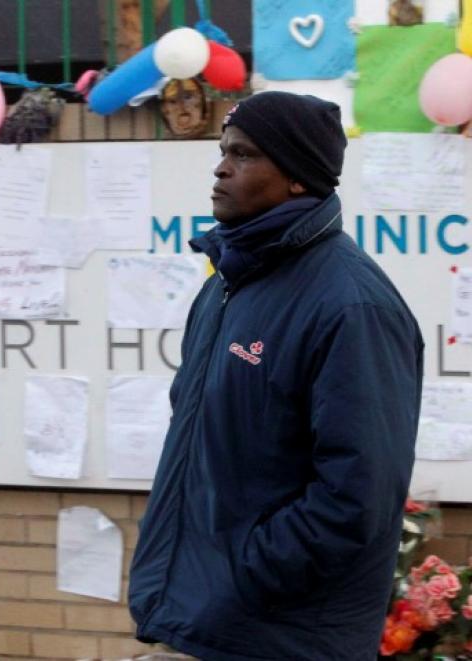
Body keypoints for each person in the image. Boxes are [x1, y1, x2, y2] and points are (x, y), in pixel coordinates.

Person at [129, 91, 424, 661]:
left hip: (280, 635)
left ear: (297, 178)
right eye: (222, 152)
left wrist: (242, 576)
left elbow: (355, 497)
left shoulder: (352, 307)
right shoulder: (223, 289)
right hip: (201, 620)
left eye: (243, 155)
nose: (220, 168)